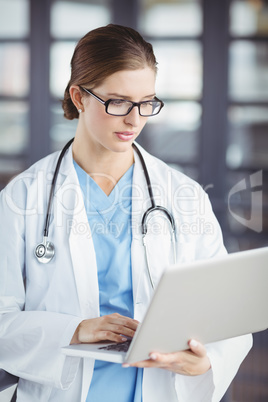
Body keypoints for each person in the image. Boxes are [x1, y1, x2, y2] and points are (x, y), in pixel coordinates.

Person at [0, 24, 252, 402]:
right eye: (118, 102)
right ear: (79, 97)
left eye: (147, 102)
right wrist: (75, 329)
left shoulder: (183, 195)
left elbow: (226, 313)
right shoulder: (23, 197)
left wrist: (207, 361)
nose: (135, 120)